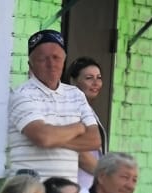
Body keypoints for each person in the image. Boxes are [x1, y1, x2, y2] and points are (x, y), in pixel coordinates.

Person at [7, 29, 101, 184]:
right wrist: (78, 128)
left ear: (64, 61)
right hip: (30, 192)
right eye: (42, 59)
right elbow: (43, 137)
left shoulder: (76, 94)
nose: (51, 64)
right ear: (30, 65)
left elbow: (94, 140)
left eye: (56, 57)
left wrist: (54, 138)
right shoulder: (22, 94)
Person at [66, 56, 108, 189]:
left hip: (89, 185)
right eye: (89, 78)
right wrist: (106, 177)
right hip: (78, 186)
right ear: (73, 81)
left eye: (99, 78)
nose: (96, 83)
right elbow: (80, 155)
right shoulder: (71, 110)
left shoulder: (87, 110)